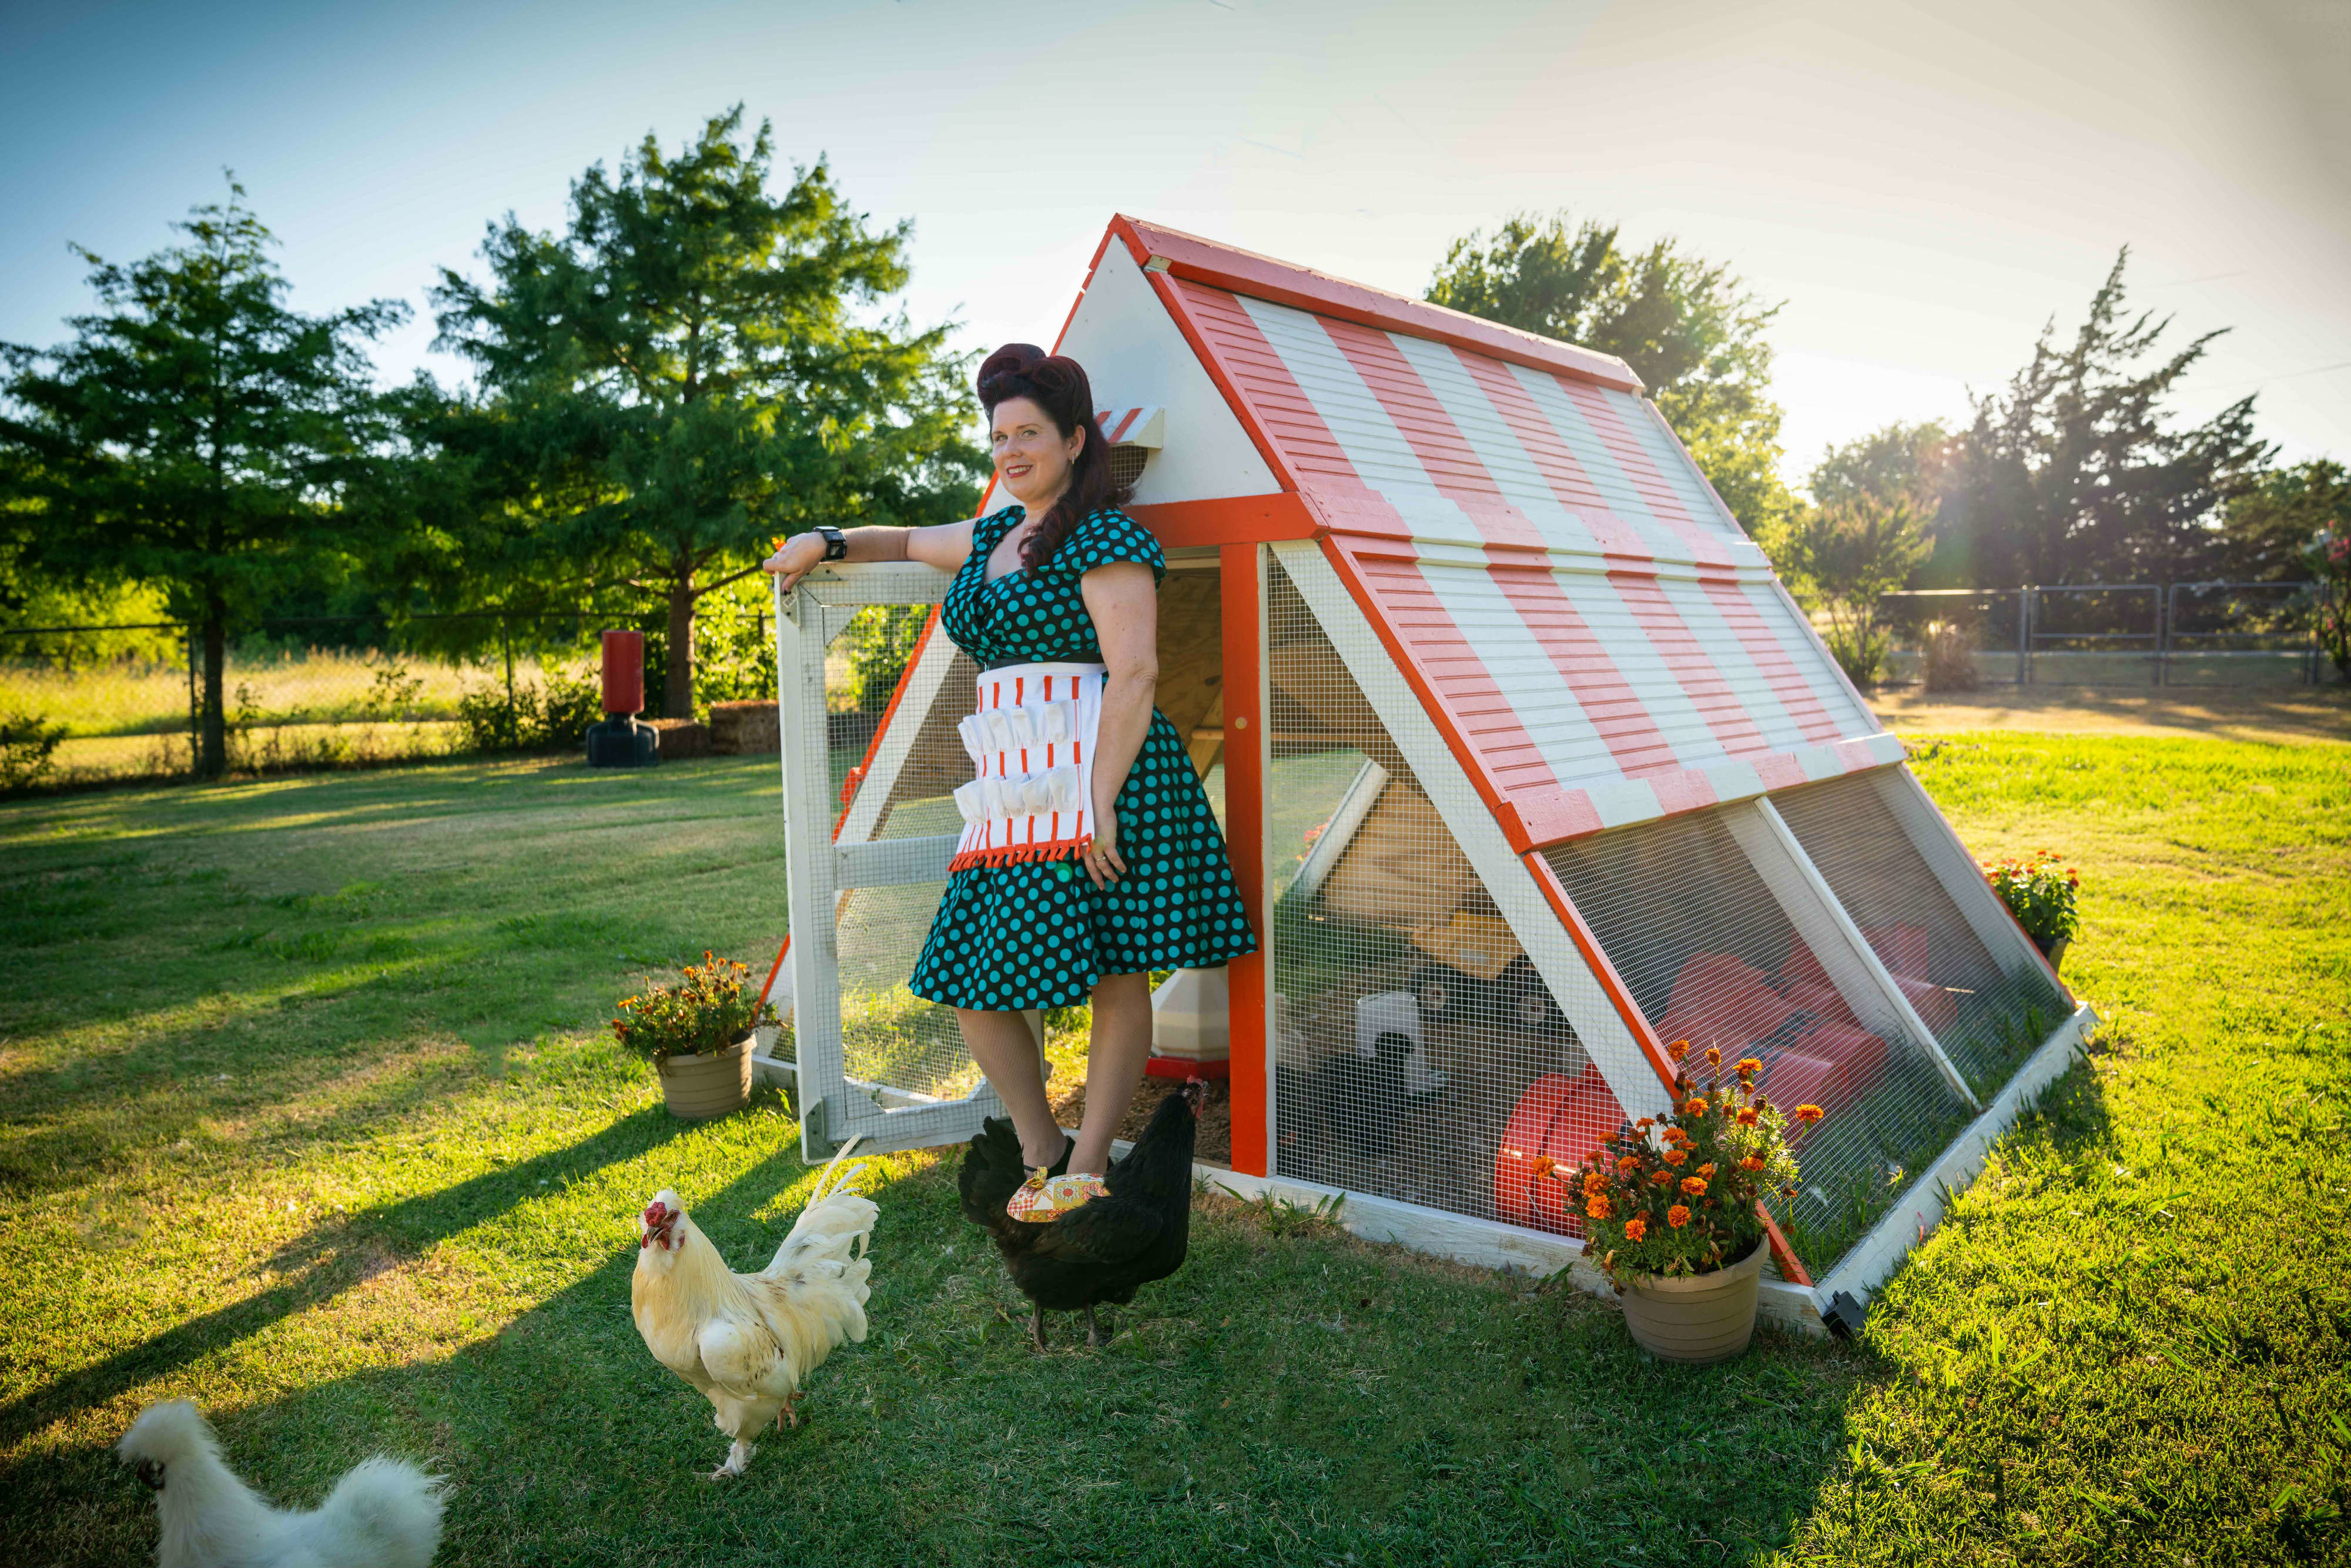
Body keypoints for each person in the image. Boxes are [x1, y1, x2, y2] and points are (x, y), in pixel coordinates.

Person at [763, 344, 1254, 1218]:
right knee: (968, 977)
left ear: (1074, 440)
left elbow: (1134, 673)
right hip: (1017, 788)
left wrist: (1097, 802)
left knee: (1115, 971)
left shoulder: (1107, 536)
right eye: (998, 437)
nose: (1010, 451)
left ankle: (1089, 1166)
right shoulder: (991, 533)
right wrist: (827, 540)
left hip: (1108, 778)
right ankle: (1043, 1147)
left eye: (1029, 432)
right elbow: (906, 540)